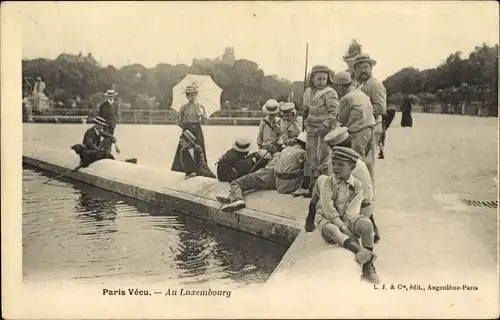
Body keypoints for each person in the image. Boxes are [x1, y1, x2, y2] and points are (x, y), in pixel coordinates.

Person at [310, 146, 380, 284]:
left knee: (366, 224)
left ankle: (367, 266)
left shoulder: (357, 185)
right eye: (334, 164)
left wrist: (348, 225)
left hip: (347, 221)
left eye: (340, 165)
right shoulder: (327, 182)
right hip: (327, 219)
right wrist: (343, 227)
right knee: (333, 230)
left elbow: (353, 210)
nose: (335, 168)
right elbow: (328, 209)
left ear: (352, 166)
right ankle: (362, 251)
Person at [307, 127, 381, 243]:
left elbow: (335, 188)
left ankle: (310, 219)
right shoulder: (356, 160)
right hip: (367, 206)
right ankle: (372, 225)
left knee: (322, 182)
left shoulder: (343, 164)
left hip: (353, 210)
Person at [217, 132, 307, 212]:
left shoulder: (284, 151)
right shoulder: (300, 153)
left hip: (267, 174)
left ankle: (237, 198)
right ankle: (234, 196)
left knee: (238, 182)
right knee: (250, 182)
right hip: (278, 180)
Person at [294, 65, 340, 198]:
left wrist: (325, 126)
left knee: (324, 158)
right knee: (311, 156)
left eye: (324, 79)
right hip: (311, 128)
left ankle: (325, 189)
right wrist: (304, 111)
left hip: (325, 130)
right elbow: (306, 109)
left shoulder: (330, 92)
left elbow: (334, 113)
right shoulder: (307, 91)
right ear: (312, 78)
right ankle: (311, 187)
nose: (322, 81)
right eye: (319, 78)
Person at [353, 54, 387, 183]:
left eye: (366, 67)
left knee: (367, 162)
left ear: (371, 68)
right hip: (359, 128)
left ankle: (368, 195)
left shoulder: (375, 84)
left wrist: (358, 116)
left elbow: (379, 108)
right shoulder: (358, 84)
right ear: (355, 70)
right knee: (358, 161)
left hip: (370, 127)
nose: (363, 70)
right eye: (360, 67)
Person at [332, 71, 376, 162]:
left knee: (356, 159)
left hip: (358, 131)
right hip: (369, 129)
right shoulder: (361, 93)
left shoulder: (347, 98)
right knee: (366, 159)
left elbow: (341, 119)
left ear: (340, 86)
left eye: (336, 86)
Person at [177, 85, 208, 163]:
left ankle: (200, 165)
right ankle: (186, 167)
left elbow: (204, 121)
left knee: (198, 147)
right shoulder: (183, 107)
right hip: (187, 128)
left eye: (194, 95)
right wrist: (186, 127)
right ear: (187, 96)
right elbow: (179, 121)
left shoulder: (200, 107)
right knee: (185, 147)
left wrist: (202, 116)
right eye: (191, 95)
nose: (193, 97)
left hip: (197, 128)